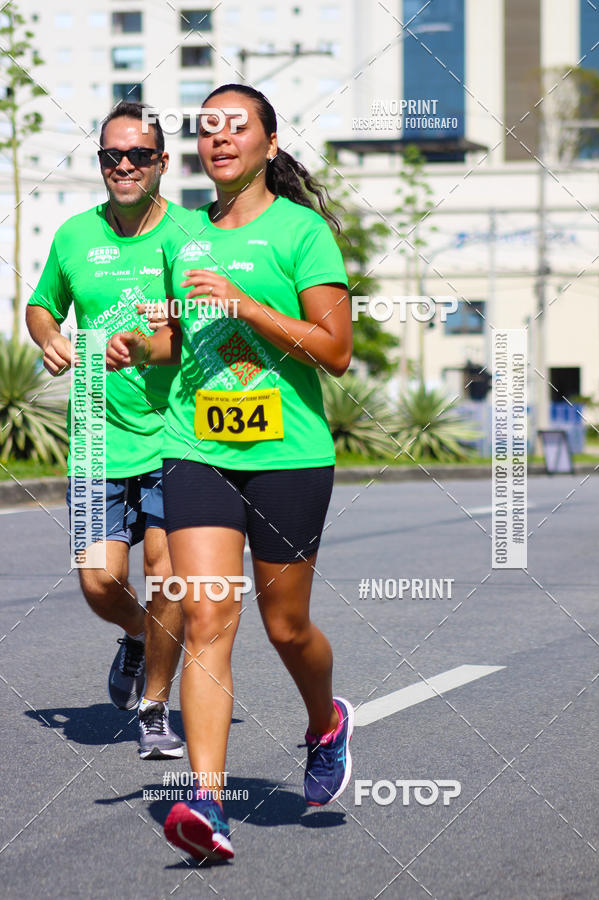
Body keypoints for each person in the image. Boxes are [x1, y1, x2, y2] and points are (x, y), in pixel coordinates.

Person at [106, 83, 354, 861]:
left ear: (268, 146)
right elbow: (176, 343)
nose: (219, 138)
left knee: (286, 627)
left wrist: (246, 305)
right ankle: (204, 805)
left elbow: (335, 350)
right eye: (208, 127)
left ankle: (326, 723)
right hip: (197, 447)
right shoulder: (180, 238)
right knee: (209, 617)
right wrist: (139, 346)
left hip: (288, 455)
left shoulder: (301, 232)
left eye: (236, 127)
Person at [26, 101, 187, 760]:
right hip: (95, 437)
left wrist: (144, 346)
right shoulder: (73, 237)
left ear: (161, 163)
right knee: (99, 582)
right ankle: (139, 636)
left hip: (177, 435)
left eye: (138, 156)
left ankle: (154, 708)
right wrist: (48, 337)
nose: (124, 167)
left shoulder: (187, 236)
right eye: (111, 157)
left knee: (168, 578)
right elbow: (41, 306)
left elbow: (186, 332)